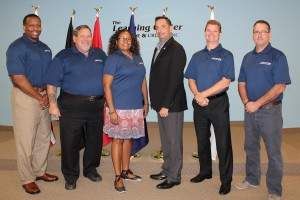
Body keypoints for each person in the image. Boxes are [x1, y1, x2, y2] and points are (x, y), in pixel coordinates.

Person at [46, 25, 107, 190]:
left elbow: (109, 79)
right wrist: (52, 103)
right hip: (72, 106)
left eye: (89, 36)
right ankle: (71, 175)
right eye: (82, 36)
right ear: (74, 38)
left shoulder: (100, 54)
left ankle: (90, 169)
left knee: (95, 140)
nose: (86, 39)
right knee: (70, 142)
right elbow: (52, 83)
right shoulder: (63, 56)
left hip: (96, 105)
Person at [236, 20, 291, 200]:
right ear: (252, 34)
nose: (259, 35)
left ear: (269, 34)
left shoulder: (278, 56)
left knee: (273, 152)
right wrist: (246, 102)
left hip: (270, 112)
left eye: (263, 31)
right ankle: (252, 179)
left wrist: (257, 103)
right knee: (250, 147)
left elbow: (280, 86)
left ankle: (274, 190)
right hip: (250, 110)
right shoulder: (247, 57)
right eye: (256, 31)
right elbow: (241, 83)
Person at [6, 14, 58, 195]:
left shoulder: (45, 49)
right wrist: (37, 96)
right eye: (31, 25)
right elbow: (18, 78)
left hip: (43, 96)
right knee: (25, 140)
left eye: (38, 25)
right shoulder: (16, 47)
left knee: (43, 137)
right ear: (24, 27)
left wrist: (49, 97)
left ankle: (39, 171)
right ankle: (27, 178)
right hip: (26, 97)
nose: (35, 28)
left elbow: (51, 74)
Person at [184, 19, 234, 195]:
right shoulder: (197, 56)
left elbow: (226, 81)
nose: (211, 34)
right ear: (204, 32)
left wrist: (202, 95)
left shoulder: (227, 55)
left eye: (215, 31)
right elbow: (190, 78)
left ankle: (226, 180)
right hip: (199, 105)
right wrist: (197, 95)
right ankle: (205, 171)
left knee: (223, 142)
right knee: (202, 140)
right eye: (208, 31)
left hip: (218, 103)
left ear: (220, 33)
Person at [103, 29, 149, 193]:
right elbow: (106, 85)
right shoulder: (113, 59)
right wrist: (112, 110)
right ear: (116, 41)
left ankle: (126, 170)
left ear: (132, 41)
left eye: (128, 39)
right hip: (119, 107)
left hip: (135, 106)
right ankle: (117, 176)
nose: (126, 41)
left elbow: (143, 80)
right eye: (122, 38)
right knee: (118, 140)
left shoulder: (138, 58)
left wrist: (146, 102)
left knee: (128, 139)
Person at [149, 15, 187, 189]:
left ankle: (174, 176)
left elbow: (174, 79)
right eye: (157, 27)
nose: (160, 29)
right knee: (165, 141)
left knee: (173, 141)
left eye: (163, 26)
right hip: (161, 104)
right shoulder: (159, 47)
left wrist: (165, 104)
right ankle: (166, 169)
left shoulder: (176, 49)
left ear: (171, 28)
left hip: (171, 105)